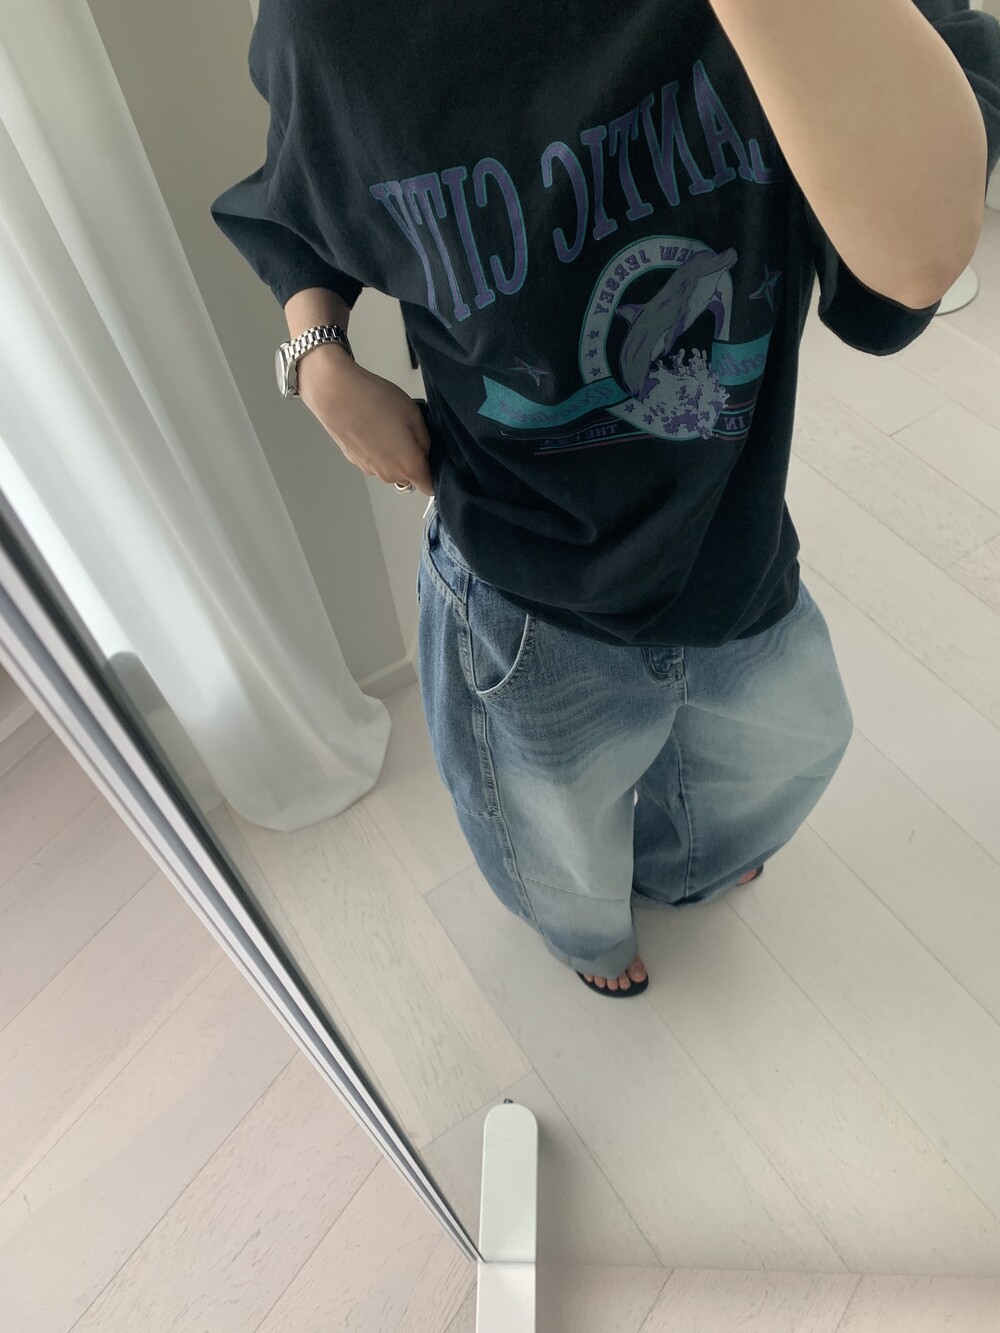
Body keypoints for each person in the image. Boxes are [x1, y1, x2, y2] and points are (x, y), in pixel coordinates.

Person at [213, 0, 1000, 996]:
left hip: (730, 530)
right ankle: (586, 942)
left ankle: (688, 869)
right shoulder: (329, 26)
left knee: (784, 752)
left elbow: (901, 275)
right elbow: (302, 189)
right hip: (519, 578)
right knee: (550, 840)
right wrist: (319, 355)